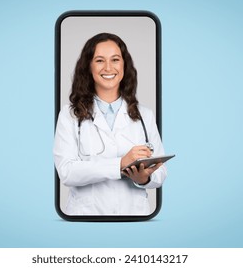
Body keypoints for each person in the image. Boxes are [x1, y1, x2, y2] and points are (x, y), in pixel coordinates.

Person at [53, 33, 167, 215]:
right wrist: (120, 164)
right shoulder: (69, 115)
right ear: (88, 66)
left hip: (134, 216)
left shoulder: (145, 115)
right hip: (86, 217)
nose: (108, 67)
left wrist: (144, 178)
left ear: (124, 65)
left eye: (115, 59)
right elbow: (66, 172)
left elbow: (160, 173)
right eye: (99, 60)